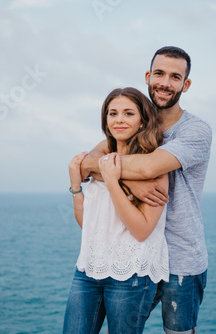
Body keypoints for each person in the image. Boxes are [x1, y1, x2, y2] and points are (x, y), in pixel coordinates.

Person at [81, 46, 212, 333]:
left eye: (175, 77)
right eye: (159, 73)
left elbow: (148, 168)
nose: (165, 82)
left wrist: (121, 176)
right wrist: (120, 178)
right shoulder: (133, 120)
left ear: (185, 85)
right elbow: (88, 163)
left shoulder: (196, 131)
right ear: (148, 76)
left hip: (181, 258)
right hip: (136, 255)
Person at [63, 87, 170, 334]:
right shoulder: (101, 159)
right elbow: (87, 225)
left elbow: (142, 230)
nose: (119, 119)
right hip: (89, 270)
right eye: (112, 113)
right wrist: (75, 186)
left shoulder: (155, 167)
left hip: (131, 274)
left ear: (143, 121)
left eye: (128, 113)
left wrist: (112, 181)